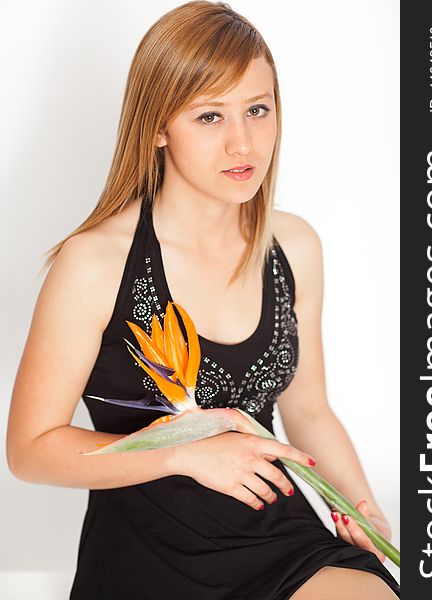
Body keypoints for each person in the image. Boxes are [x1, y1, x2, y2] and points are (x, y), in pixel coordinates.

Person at [6, 1, 400, 598]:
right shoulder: (94, 263)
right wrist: (185, 454)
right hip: (149, 554)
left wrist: (365, 509)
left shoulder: (293, 245)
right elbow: (30, 450)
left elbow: (310, 410)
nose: (243, 142)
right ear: (158, 127)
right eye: (210, 116)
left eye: (257, 109)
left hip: (281, 534)